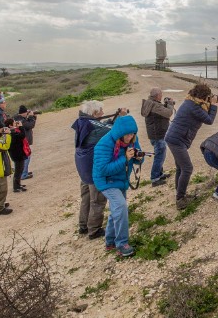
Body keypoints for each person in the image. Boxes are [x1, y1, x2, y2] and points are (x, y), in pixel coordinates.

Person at [92, 115, 143, 257]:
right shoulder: (104, 144)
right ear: (119, 132)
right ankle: (122, 244)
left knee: (117, 209)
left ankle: (110, 242)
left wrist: (139, 158)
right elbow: (103, 169)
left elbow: (138, 160)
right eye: (127, 134)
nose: (130, 137)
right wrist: (125, 158)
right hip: (106, 181)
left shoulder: (133, 140)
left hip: (121, 180)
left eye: (133, 133)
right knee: (120, 206)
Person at [71, 101, 122, 239]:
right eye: (100, 112)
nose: (102, 113)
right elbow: (111, 130)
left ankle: (83, 225)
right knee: (97, 199)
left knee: (86, 197)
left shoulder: (82, 122)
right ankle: (94, 229)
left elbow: (102, 125)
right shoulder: (92, 125)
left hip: (83, 166)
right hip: (92, 167)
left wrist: (113, 118)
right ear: (94, 113)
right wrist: (120, 118)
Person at [164, 84, 218, 209]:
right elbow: (209, 120)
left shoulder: (191, 102)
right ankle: (180, 200)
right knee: (187, 168)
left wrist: (210, 103)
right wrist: (214, 105)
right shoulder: (194, 107)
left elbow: (204, 114)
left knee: (180, 168)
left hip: (176, 138)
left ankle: (180, 194)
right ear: (203, 97)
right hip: (177, 140)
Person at [140, 88, 175, 187]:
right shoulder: (155, 105)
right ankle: (155, 178)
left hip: (155, 134)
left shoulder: (150, 103)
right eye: (161, 94)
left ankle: (159, 174)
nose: (162, 96)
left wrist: (165, 104)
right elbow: (168, 113)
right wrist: (170, 104)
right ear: (157, 96)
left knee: (160, 154)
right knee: (160, 156)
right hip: (158, 134)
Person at [4, 118, 28, 193]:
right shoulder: (11, 133)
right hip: (17, 155)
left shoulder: (11, 132)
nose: (15, 124)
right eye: (14, 123)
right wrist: (21, 127)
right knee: (18, 171)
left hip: (17, 153)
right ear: (10, 125)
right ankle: (16, 187)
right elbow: (22, 136)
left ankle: (18, 184)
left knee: (20, 170)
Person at [15, 105, 37, 180]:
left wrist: (32, 117)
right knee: (26, 157)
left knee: (24, 157)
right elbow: (30, 125)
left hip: (21, 141)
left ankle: (24, 172)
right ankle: (23, 174)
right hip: (23, 141)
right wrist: (32, 117)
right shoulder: (21, 120)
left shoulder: (17, 118)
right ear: (23, 113)